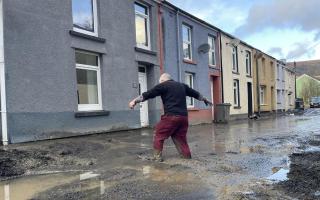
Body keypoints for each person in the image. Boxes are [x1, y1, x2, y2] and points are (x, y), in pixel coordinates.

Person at [129, 73, 212, 162]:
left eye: (160, 82)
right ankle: (187, 158)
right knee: (180, 139)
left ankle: (157, 158)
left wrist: (135, 101)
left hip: (171, 117)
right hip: (183, 118)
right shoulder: (182, 86)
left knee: (158, 133)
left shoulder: (163, 85)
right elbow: (195, 94)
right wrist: (205, 99)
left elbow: (148, 94)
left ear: (162, 80)